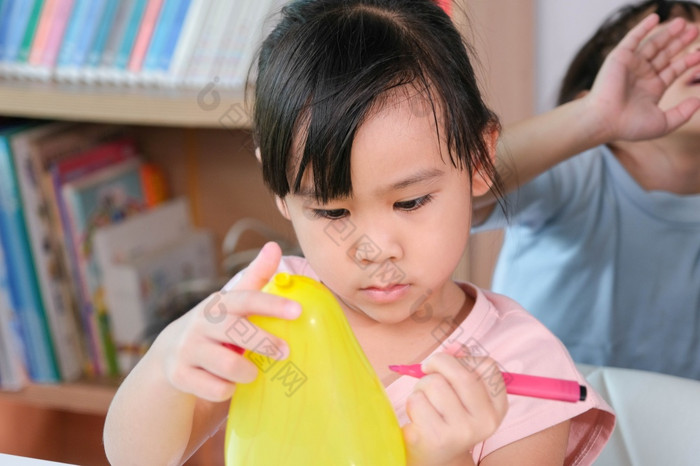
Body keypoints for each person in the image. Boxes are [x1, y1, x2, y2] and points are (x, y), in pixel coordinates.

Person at [106, 0, 700, 463]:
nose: (375, 247)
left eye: (411, 201)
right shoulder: (272, 311)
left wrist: (435, 459)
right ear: (279, 189)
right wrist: (167, 365)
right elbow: (135, 455)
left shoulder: (524, 365)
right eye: (332, 212)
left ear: (479, 159)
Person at [473, 0, 700, 379]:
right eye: (670, 47)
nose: (696, 52)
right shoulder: (576, 174)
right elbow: (458, 188)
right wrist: (594, 119)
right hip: (534, 420)